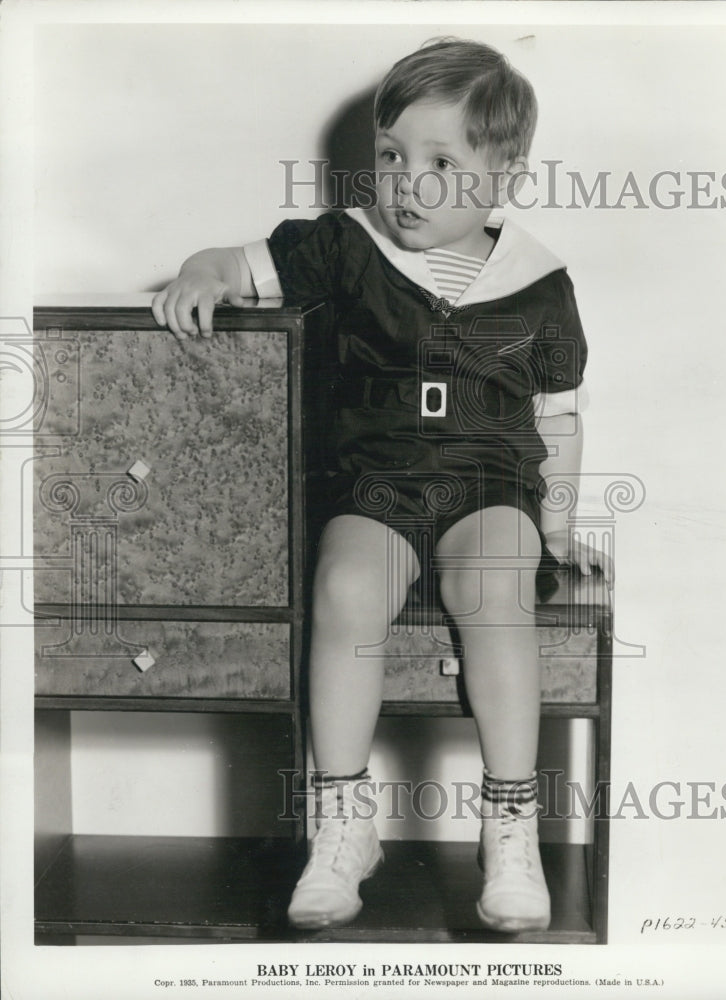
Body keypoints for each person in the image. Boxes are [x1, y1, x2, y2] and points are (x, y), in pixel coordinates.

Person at [153, 37, 612, 934]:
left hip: (491, 485)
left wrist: (558, 531)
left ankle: (511, 825)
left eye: (443, 163)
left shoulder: (540, 282)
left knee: (494, 588)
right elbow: (234, 260)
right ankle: (343, 821)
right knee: (346, 585)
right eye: (393, 157)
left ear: (504, 176)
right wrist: (202, 271)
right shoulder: (343, 247)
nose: (408, 182)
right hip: (378, 484)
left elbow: (558, 417)